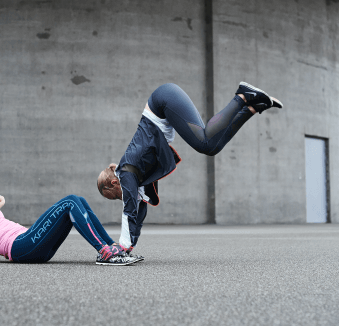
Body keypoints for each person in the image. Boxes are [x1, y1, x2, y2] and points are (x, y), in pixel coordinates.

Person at [97, 82, 283, 253]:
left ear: (114, 182)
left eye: (115, 196)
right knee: (212, 147)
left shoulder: (126, 172)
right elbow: (139, 209)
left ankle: (242, 96)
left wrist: (122, 245)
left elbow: (128, 208)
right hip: (163, 104)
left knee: (204, 142)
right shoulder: (135, 175)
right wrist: (130, 245)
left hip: (162, 100)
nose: (120, 198)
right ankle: (252, 107)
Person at [0, 165, 141, 266]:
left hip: (31, 243)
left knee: (79, 201)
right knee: (70, 201)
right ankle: (104, 252)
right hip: (21, 247)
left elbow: (0, 198)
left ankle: (115, 249)